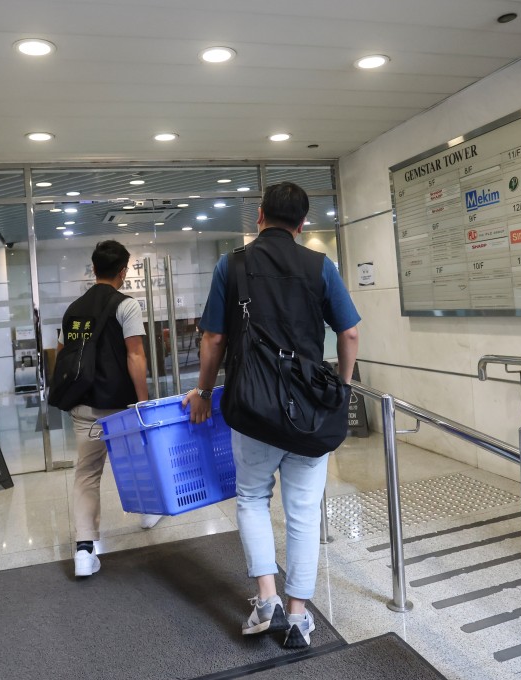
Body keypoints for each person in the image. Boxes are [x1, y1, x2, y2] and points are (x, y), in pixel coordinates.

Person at [182, 182, 360, 648]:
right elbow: (351, 333)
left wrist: (204, 391)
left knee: (252, 498)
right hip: (307, 409)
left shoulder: (233, 264)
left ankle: (267, 602)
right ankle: (298, 616)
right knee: (303, 513)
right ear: (303, 224)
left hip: (252, 405)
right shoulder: (320, 266)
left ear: (259, 216)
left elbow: (214, 339)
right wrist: (340, 385)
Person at [57, 240, 159, 579]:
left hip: (84, 403)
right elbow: (136, 355)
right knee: (135, 462)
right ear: (123, 271)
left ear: (94, 268)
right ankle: (147, 514)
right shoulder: (126, 306)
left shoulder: (73, 309)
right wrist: (143, 401)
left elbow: (63, 353)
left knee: (87, 473)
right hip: (120, 405)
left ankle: (84, 551)